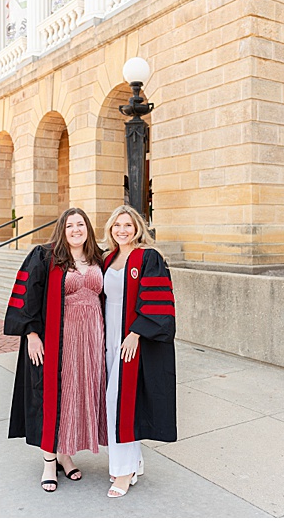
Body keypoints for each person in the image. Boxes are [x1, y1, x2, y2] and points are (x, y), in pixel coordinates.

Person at [4, 207, 107, 492]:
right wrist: (31, 334)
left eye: (81, 224)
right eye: (70, 225)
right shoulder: (45, 257)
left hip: (91, 340)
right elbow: (28, 298)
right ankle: (50, 460)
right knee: (52, 397)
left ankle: (65, 453)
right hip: (58, 339)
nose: (76, 229)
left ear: (88, 228)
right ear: (62, 229)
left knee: (75, 395)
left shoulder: (99, 258)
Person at [100, 205, 177, 498]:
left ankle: (123, 472)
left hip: (131, 340)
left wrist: (136, 332)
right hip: (108, 339)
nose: (122, 230)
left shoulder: (148, 257)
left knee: (117, 403)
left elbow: (159, 300)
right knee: (122, 403)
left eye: (128, 225)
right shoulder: (108, 258)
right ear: (111, 229)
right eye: (117, 225)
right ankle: (133, 461)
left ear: (137, 229)